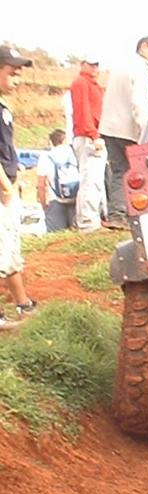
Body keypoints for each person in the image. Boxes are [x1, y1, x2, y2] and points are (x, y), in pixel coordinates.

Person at [99, 35, 148, 230]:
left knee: (119, 171)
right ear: (144, 47)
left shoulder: (120, 66)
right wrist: (147, 133)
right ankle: (141, 212)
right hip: (128, 128)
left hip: (110, 127)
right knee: (142, 170)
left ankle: (117, 214)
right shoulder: (141, 69)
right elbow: (139, 103)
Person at [0, 46, 37, 330]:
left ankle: (23, 304)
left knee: (10, 248)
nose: (17, 79)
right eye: (12, 73)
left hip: (8, 185)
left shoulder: (3, 107)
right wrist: (5, 184)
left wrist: (14, 171)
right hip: (2, 189)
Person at [70, 56, 106, 232]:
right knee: (90, 180)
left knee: (95, 180)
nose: (94, 67)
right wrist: (94, 135)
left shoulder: (93, 85)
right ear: (82, 64)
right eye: (91, 64)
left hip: (91, 135)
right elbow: (83, 111)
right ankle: (88, 223)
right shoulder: (81, 83)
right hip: (88, 136)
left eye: (96, 64)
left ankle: (92, 219)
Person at [36, 129, 78, 232]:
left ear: (51, 142)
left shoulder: (45, 156)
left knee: (55, 234)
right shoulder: (74, 152)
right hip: (76, 197)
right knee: (76, 234)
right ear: (64, 140)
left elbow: (41, 185)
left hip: (55, 199)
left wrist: (44, 205)